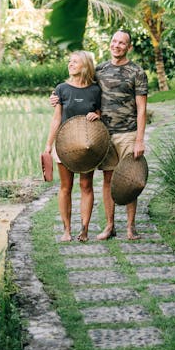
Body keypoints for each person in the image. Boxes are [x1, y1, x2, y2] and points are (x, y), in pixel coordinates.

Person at [94, 29, 148, 241]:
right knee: (108, 179)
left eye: (122, 43)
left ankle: (131, 227)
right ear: (110, 43)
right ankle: (109, 226)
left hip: (128, 133)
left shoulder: (137, 72)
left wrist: (139, 139)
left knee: (130, 180)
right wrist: (57, 97)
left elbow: (142, 108)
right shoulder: (99, 70)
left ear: (129, 47)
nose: (117, 45)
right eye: (114, 41)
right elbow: (81, 88)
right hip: (105, 134)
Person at [44, 50, 102, 242]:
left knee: (86, 185)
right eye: (69, 61)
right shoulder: (61, 89)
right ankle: (66, 230)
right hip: (64, 144)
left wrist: (97, 116)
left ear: (85, 65)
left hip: (87, 146)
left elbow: (99, 111)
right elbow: (56, 119)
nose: (70, 64)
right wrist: (48, 145)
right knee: (65, 187)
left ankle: (84, 229)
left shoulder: (95, 90)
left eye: (75, 62)